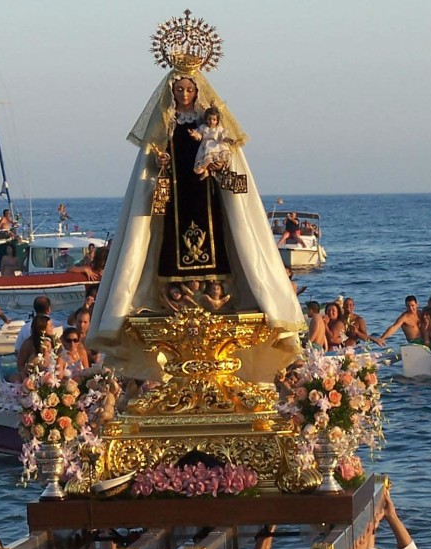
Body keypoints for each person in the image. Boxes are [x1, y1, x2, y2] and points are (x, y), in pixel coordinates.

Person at [87, 57, 302, 385]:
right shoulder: (166, 122)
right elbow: (151, 162)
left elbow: (228, 156)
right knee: (168, 243)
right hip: (175, 196)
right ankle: (174, 290)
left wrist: (218, 164)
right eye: (179, 89)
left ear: (197, 92)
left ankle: (215, 284)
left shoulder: (210, 123)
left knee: (218, 238)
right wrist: (160, 161)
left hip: (205, 195)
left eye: (189, 88)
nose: (185, 93)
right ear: (172, 92)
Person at [190, 105, 235, 178]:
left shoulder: (219, 129)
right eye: (209, 119)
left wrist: (229, 140)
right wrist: (194, 135)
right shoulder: (203, 127)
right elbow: (199, 136)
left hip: (217, 146)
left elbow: (223, 137)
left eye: (214, 119)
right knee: (206, 160)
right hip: (206, 147)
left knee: (219, 159)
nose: (211, 121)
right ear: (205, 119)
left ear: (217, 121)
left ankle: (218, 168)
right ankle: (205, 171)